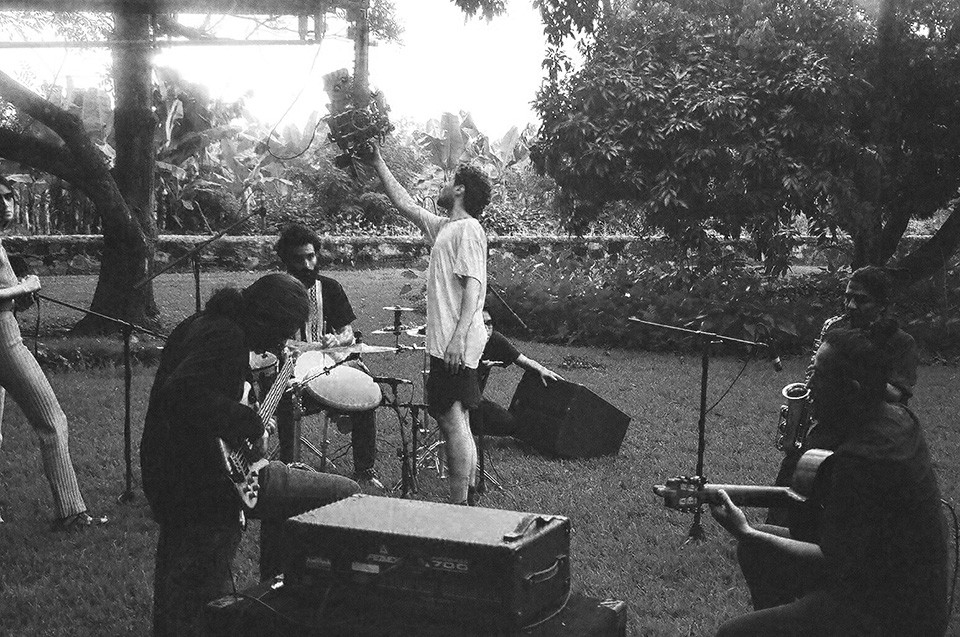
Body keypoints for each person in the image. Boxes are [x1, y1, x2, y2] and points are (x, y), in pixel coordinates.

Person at [140, 273, 359, 636]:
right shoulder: (226, 337)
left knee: (178, 587)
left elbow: (199, 398)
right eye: (284, 330)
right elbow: (181, 395)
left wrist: (244, 418)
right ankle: (294, 601)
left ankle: (272, 595)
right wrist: (249, 422)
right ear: (266, 318)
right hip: (202, 486)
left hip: (175, 476)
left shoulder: (204, 324)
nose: (281, 341)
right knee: (343, 493)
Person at [710, 327, 948, 636]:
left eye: (818, 377)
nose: (808, 386)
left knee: (733, 633)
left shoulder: (862, 461)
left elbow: (831, 561)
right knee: (760, 549)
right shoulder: (898, 418)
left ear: (850, 390)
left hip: (891, 613)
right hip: (891, 583)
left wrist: (745, 531)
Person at [365, 143, 492, 505]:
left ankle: (458, 509)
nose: (441, 185)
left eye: (448, 181)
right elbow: (404, 203)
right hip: (451, 341)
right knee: (459, 421)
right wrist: (378, 161)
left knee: (452, 422)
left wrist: (456, 338)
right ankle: (467, 500)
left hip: (455, 341)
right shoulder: (445, 228)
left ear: (460, 190)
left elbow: (474, 286)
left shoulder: (468, 229)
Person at [768, 265, 919, 525]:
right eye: (847, 296)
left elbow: (897, 393)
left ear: (882, 305)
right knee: (791, 472)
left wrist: (855, 375)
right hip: (831, 421)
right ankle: (775, 533)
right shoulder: (836, 329)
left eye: (861, 300)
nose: (850, 305)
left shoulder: (902, 342)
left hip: (872, 427)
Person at [0, 175, 105, 531]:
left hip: (6, 329)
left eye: (10, 197)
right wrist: (24, 286)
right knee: (52, 421)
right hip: (4, 341)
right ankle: (71, 512)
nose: (6, 205)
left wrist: (20, 297)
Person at [274, 223, 382, 489]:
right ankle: (289, 468)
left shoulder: (331, 288)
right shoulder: (275, 292)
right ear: (286, 261)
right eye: (299, 260)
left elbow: (347, 333)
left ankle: (365, 470)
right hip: (292, 372)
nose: (308, 265)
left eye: (311, 257)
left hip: (328, 367)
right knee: (285, 402)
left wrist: (337, 339)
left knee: (364, 390)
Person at [471, 309, 563, 438]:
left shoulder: (495, 340)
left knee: (508, 423)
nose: (486, 328)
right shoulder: (462, 344)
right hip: (458, 398)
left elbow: (522, 360)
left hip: (475, 400)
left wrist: (542, 369)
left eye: (489, 323)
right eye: (481, 323)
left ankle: (471, 425)